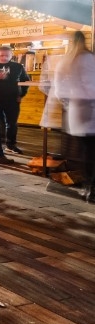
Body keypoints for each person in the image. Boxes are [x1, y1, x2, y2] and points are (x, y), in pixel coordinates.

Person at [50, 31, 95, 202]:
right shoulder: (89, 58)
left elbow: (59, 88)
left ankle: (89, 187)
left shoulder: (66, 61)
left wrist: (69, 102)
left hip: (78, 109)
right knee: (91, 150)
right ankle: (91, 187)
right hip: (92, 107)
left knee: (86, 151)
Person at [0, 45, 29, 154]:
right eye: (1, 55)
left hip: (12, 99)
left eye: (7, 55)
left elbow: (26, 81)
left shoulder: (18, 67)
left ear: (11, 55)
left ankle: (11, 145)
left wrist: (21, 94)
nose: (4, 57)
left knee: (12, 123)